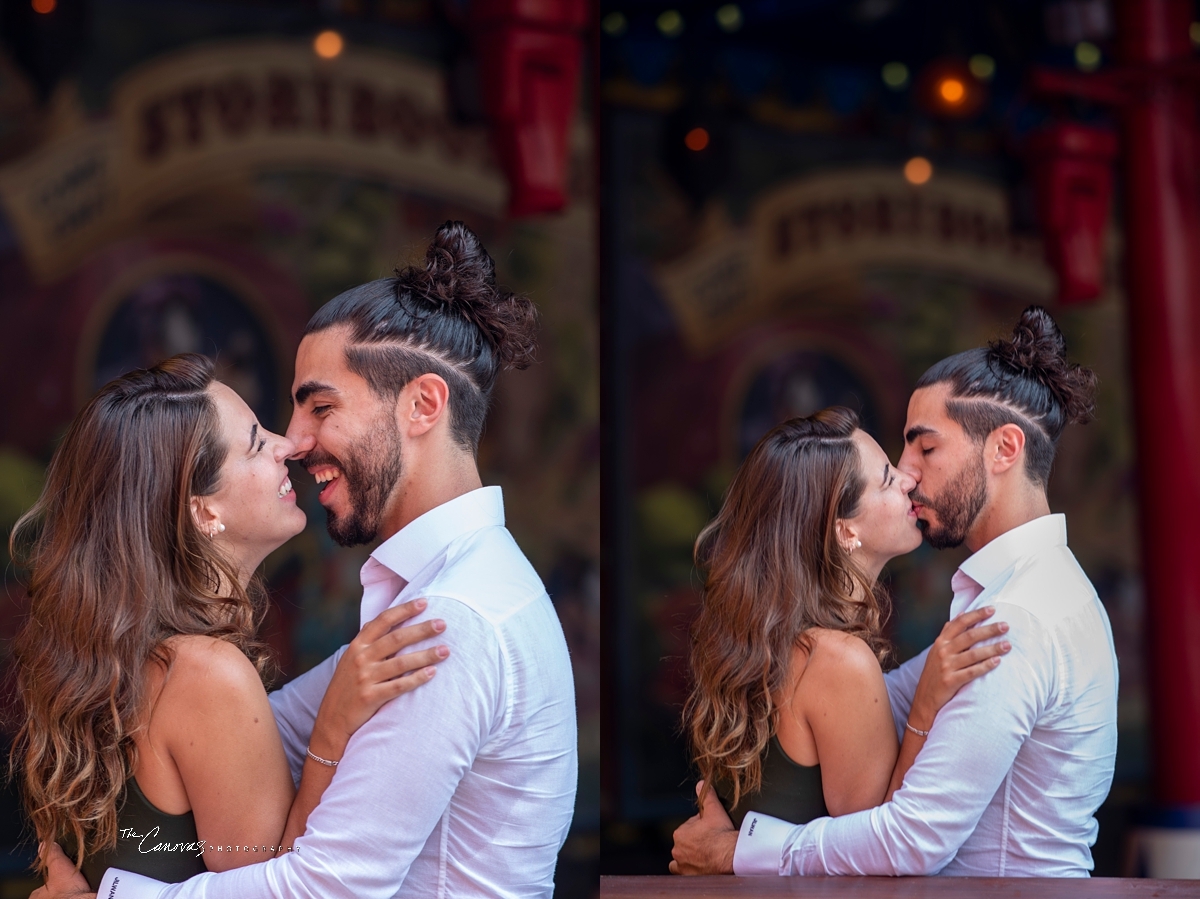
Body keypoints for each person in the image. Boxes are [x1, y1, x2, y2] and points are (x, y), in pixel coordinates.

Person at [38, 220, 578, 898]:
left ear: (423, 405)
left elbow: (329, 887)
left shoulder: (452, 621)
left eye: (318, 406)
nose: (294, 442)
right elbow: (271, 734)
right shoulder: (437, 597)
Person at [671, 306, 1118, 877]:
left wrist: (737, 851)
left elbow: (912, 840)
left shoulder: (1016, 619)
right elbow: (872, 703)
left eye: (924, 449)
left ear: (1005, 449)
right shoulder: (1018, 597)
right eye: (896, 461)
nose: (907, 473)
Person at [13, 354, 446, 889]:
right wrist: (330, 733)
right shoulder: (203, 673)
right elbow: (271, 886)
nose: (288, 446)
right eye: (257, 443)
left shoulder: (116, 654)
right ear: (203, 510)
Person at [679, 408, 1011, 849]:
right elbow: (878, 849)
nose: (909, 480)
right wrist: (925, 707)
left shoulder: (767, 639)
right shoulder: (836, 660)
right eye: (889, 479)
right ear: (844, 529)